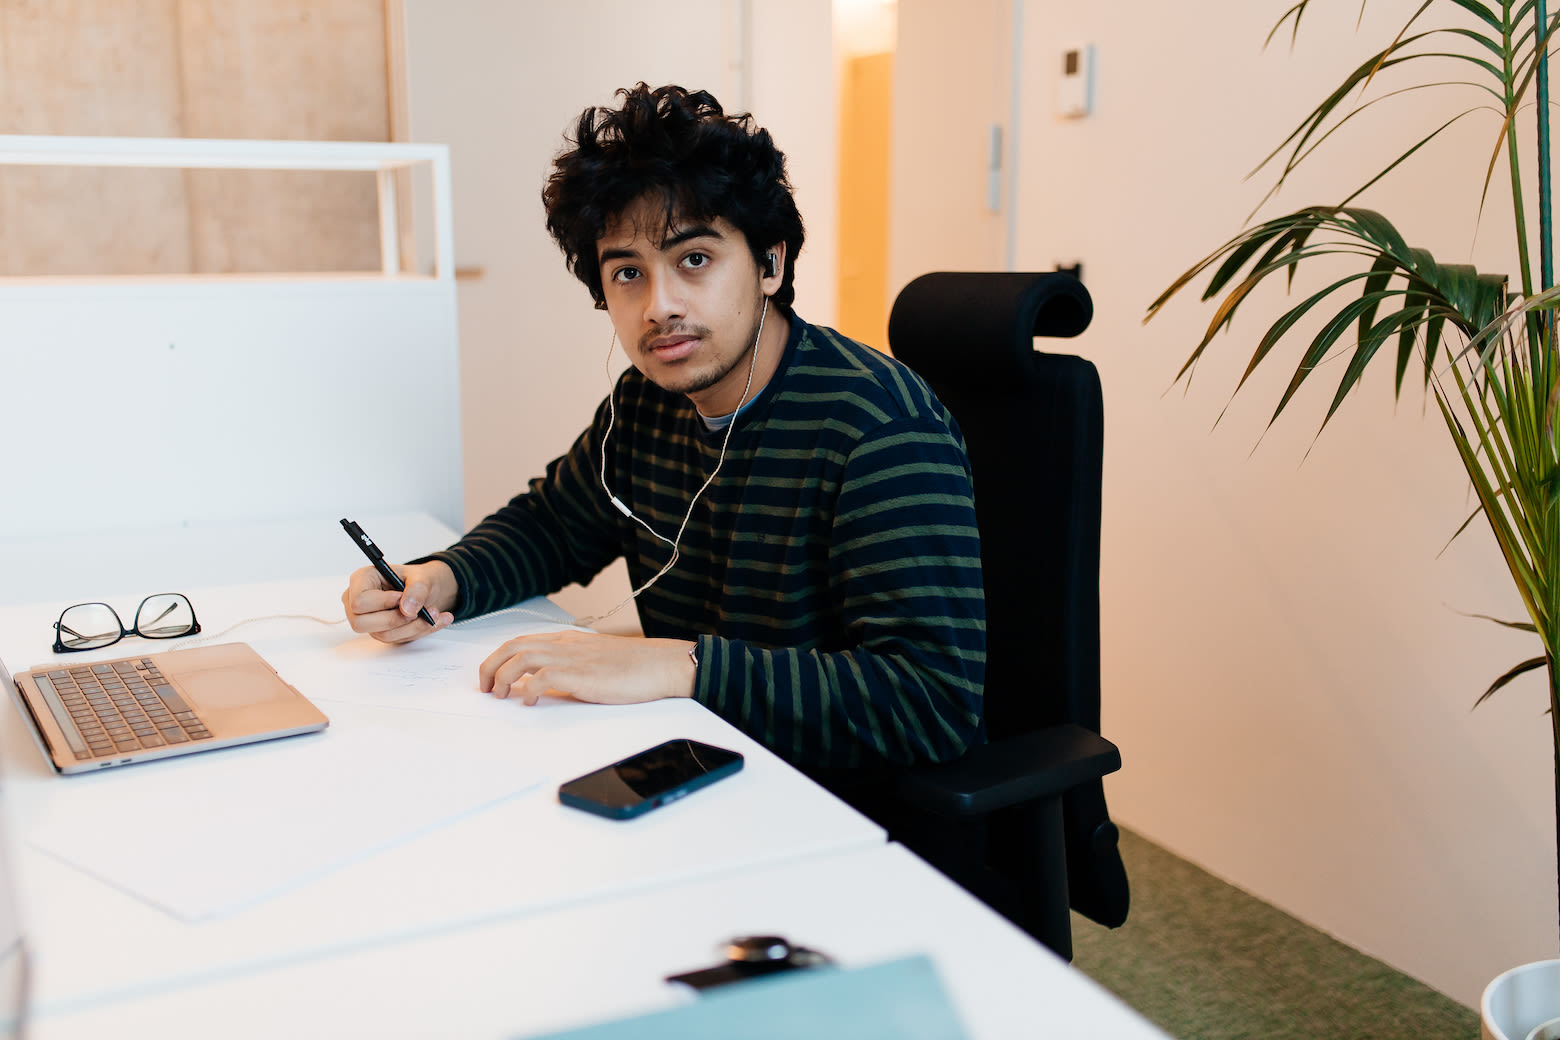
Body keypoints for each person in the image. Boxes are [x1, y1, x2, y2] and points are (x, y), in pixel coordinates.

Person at [342, 83, 985, 770]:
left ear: (771, 263)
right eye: (627, 273)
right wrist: (441, 578)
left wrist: (681, 667)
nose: (659, 305)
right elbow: (555, 525)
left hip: (830, 803)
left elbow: (931, 703)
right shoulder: (648, 404)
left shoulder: (878, 428)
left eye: (694, 260)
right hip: (699, 759)